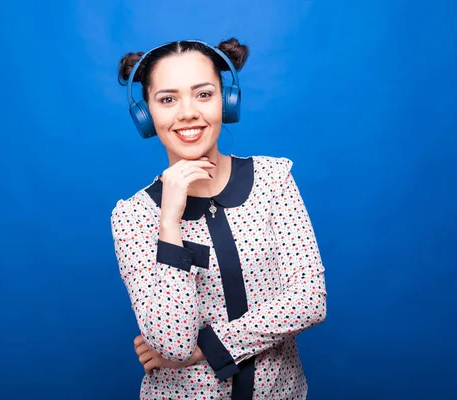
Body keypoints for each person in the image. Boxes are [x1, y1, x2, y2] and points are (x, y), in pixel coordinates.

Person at [110, 37, 327, 400]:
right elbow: (174, 344)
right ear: (146, 115)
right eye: (167, 99)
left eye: (203, 94)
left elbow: (309, 300)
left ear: (226, 101)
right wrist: (169, 221)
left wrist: (209, 347)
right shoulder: (133, 216)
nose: (187, 113)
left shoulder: (274, 179)